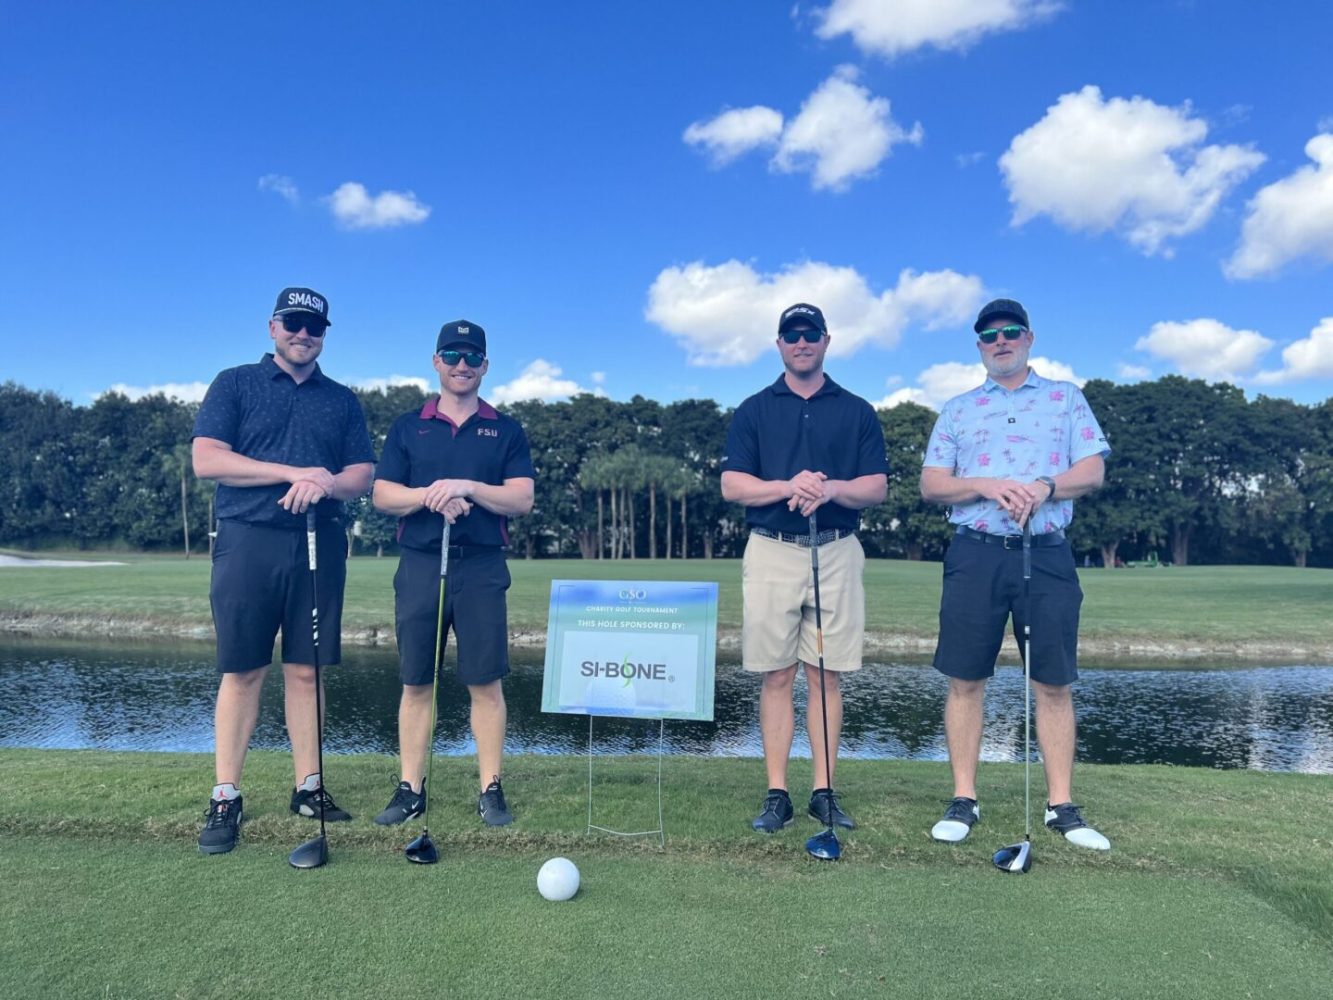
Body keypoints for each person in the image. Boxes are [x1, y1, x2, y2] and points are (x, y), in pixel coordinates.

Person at [921, 297, 1111, 850]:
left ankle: (1061, 806)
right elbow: (933, 485)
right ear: (979, 346)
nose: (1000, 341)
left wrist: (1046, 486)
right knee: (965, 678)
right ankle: (963, 797)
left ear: (1028, 338)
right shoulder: (958, 409)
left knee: (1053, 681)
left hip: (1045, 550)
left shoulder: (1065, 399)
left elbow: (1093, 469)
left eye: (1010, 332)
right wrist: (983, 484)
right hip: (975, 551)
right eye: (988, 336)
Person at [192, 286, 375, 855]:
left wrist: (324, 481)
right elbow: (208, 460)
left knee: (306, 670)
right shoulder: (236, 383)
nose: (303, 334)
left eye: (314, 327)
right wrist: (294, 471)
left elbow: (362, 474)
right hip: (248, 541)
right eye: (293, 323)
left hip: (320, 543)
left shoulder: (341, 400)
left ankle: (308, 786)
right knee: (244, 671)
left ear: (324, 335)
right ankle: (227, 795)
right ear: (273, 327)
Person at [721, 302, 888, 834]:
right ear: (779, 345)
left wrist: (831, 488)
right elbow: (733, 485)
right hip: (772, 546)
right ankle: (777, 793)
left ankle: (823, 791)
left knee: (826, 675)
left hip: (837, 547)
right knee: (776, 674)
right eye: (791, 335)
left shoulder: (857, 410)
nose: (801, 342)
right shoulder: (753, 409)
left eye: (810, 334)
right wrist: (791, 485)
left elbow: (876, 486)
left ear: (825, 340)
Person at [371, 320, 535, 828]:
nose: (462, 364)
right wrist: (430, 495)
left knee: (485, 683)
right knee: (417, 682)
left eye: (471, 357)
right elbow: (381, 495)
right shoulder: (407, 427)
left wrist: (467, 486)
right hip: (421, 564)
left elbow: (522, 498)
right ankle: (411, 788)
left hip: (482, 568)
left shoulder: (505, 429)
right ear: (436, 361)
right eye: (452, 355)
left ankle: (490, 787)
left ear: (484, 366)